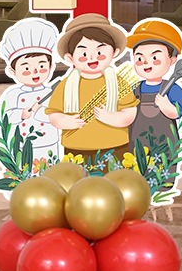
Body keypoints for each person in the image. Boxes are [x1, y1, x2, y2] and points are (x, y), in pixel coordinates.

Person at [45, 13, 138, 165]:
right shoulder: (66, 85)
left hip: (115, 147)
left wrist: (111, 118)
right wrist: (67, 121)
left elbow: (130, 113)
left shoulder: (119, 83)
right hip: (76, 149)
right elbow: (54, 114)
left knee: (114, 179)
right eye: (83, 53)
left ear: (114, 53)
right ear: (70, 58)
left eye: (100, 52)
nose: (92, 57)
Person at [0, 18, 63, 165]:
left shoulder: (53, 92)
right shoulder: (13, 95)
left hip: (49, 144)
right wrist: (21, 114)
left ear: (51, 67)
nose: (35, 72)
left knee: (49, 170)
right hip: (22, 146)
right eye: (26, 68)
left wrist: (42, 113)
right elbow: (4, 118)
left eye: (41, 66)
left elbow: (58, 115)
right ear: (13, 71)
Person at [125, 19, 182, 154]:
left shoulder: (173, 89)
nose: (146, 63)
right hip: (136, 147)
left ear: (172, 60)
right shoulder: (134, 89)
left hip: (165, 149)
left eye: (154, 57)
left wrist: (167, 107)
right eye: (139, 58)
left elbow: (177, 113)